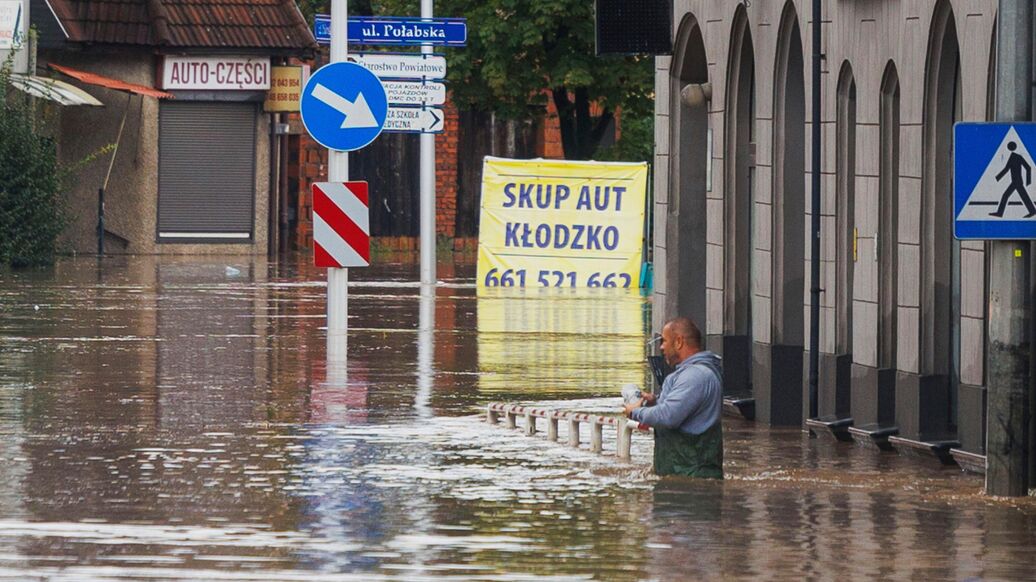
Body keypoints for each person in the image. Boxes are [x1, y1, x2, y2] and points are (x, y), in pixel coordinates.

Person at [623, 317, 723, 479]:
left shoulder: (695, 376)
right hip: (683, 477)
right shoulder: (691, 374)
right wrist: (655, 401)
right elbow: (679, 410)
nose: (661, 347)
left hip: (691, 481)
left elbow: (668, 416)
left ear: (678, 342)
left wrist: (635, 412)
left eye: (664, 341)